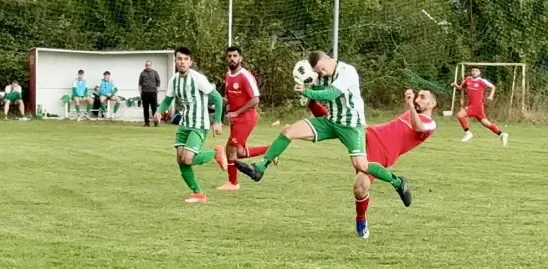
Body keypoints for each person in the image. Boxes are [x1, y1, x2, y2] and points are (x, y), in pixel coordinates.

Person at [235, 51, 412, 206]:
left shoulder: (347, 72)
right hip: (329, 121)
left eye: (322, 69)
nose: (321, 73)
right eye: (318, 71)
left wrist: (306, 92)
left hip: (351, 126)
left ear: (328, 58)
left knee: (361, 165)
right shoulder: (318, 74)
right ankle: (259, 169)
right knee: (287, 132)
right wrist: (306, 90)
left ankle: (397, 182)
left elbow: (330, 93)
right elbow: (316, 89)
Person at [353, 89, 436, 239]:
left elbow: (419, 128)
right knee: (342, 124)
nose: (417, 100)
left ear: (432, 104)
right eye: (417, 97)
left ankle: (361, 220)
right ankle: (313, 102)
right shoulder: (410, 114)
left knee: (360, 187)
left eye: (422, 97)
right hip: (370, 134)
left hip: (383, 151)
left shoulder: (430, 124)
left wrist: (410, 106)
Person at [153, 46, 227, 203]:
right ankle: (198, 194)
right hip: (183, 124)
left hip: (199, 124)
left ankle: (216, 153)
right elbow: (167, 100)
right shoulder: (174, 80)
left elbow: (218, 98)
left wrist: (218, 121)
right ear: (175, 60)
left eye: (186, 59)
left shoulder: (198, 79)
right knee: (180, 160)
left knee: (187, 159)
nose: (182, 62)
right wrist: (159, 111)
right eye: (179, 59)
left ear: (190, 62)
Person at [217, 46, 275, 191]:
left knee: (230, 150)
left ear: (240, 58)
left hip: (246, 118)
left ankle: (233, 183)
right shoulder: (228, 75)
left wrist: (237, 113)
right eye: (229, 56)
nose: (232, 59)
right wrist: (224, 101)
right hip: (236, 119)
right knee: (240, 152)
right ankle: (271, 151)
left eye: (235, 56)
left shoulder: (245, 76)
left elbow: (255, 99)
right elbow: (230, 95)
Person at [450, 67, 509, 146]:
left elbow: (493, 87)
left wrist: (491, 96)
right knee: (486, 123)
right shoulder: (468, 80)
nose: (474, 72)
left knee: (459, 115)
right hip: (475, 106)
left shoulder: (482, 81)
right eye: (473, 70)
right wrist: (455, 85)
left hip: (476, 105)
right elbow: (461, 88)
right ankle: (502, 134)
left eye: (476, 71)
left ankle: (468, 133)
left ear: (479, 73)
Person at [138, 60, 161, 127]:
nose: (148, 66)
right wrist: (140, 91)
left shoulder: (155, 72)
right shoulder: (142, 73)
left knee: (154, 108)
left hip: (153, 92)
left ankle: (156, 123)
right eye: (146, 65)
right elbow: (140, 83)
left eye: (149, 65)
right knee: (145, 109)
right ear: (145, 65)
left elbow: (158, 81)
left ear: (151, 65)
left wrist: (158, 89)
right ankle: (147, 123)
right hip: (145, 93)